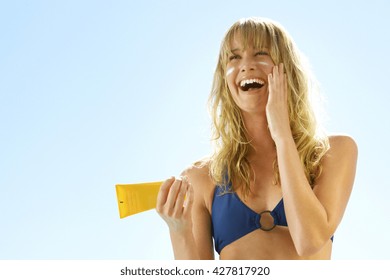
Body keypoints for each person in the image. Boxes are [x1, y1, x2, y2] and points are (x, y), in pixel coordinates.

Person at [156, 17, 358, 260]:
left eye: (261, 53)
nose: (246, 66)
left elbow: (310, 241)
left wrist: (282, 135)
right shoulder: (202, 178)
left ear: (288, 69)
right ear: (224, 77)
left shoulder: (333, 152)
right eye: (234, 57)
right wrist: (179, 231)